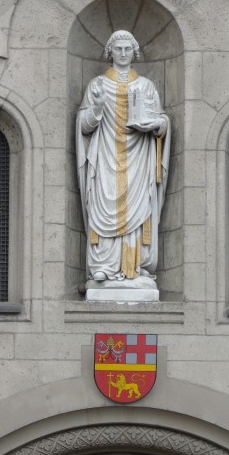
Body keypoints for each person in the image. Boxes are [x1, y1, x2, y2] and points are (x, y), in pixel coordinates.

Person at [76, 30, 170, 285]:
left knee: (137, 208)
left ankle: (134, 267)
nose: (123, 53)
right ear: (110, 52)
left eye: (128, 49)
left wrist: (155, 125)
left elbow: (162, 120)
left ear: (134, 52)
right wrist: (96, 108)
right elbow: (83, 126)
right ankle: (104, 265)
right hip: (105, 155)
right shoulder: (96, 85)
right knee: (103, 205)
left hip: (138, 158)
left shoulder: (146, 86)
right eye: (118, 49)